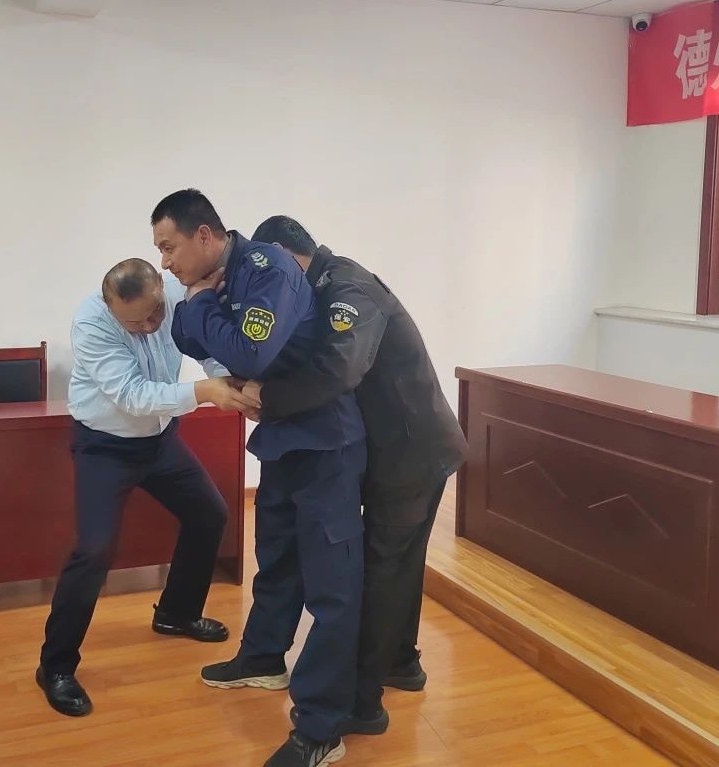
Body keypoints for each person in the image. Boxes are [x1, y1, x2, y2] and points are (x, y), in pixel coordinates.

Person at [152, 190, 365, 767]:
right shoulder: (219, 279)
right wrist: (201, 308)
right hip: (283, 438)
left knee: (332, 587)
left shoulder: (267, 267)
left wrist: (202, 304)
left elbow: (252, 352)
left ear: (204, 235)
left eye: (169, 248)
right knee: (276, 558)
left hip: (325, 443)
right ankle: (264, 658)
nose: (165, 263)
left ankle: (320, 727)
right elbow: (184, 337)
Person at [246, 215, 467, 731]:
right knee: (398, 565)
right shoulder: (319, 287)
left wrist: (269, 399)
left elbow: (340, 368)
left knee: (380, 571)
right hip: (403, 449)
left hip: (411, 453)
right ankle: (401, 663)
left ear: (284, 255)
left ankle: (361, 705)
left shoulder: (348, 289)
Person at [37, 259, 258, 718]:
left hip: (159, 440)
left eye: (154, 314)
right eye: (134, 323)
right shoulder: (92, 323)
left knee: (209, 514)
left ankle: (176, 613)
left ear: (161, 287)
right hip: (105, 446)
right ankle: (55, 666)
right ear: (110, 307)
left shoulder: (175, 295)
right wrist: (205, 392)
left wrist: (231, 377)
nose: (149, 326)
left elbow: (204, 345)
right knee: (94, 550)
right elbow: (133, 395)